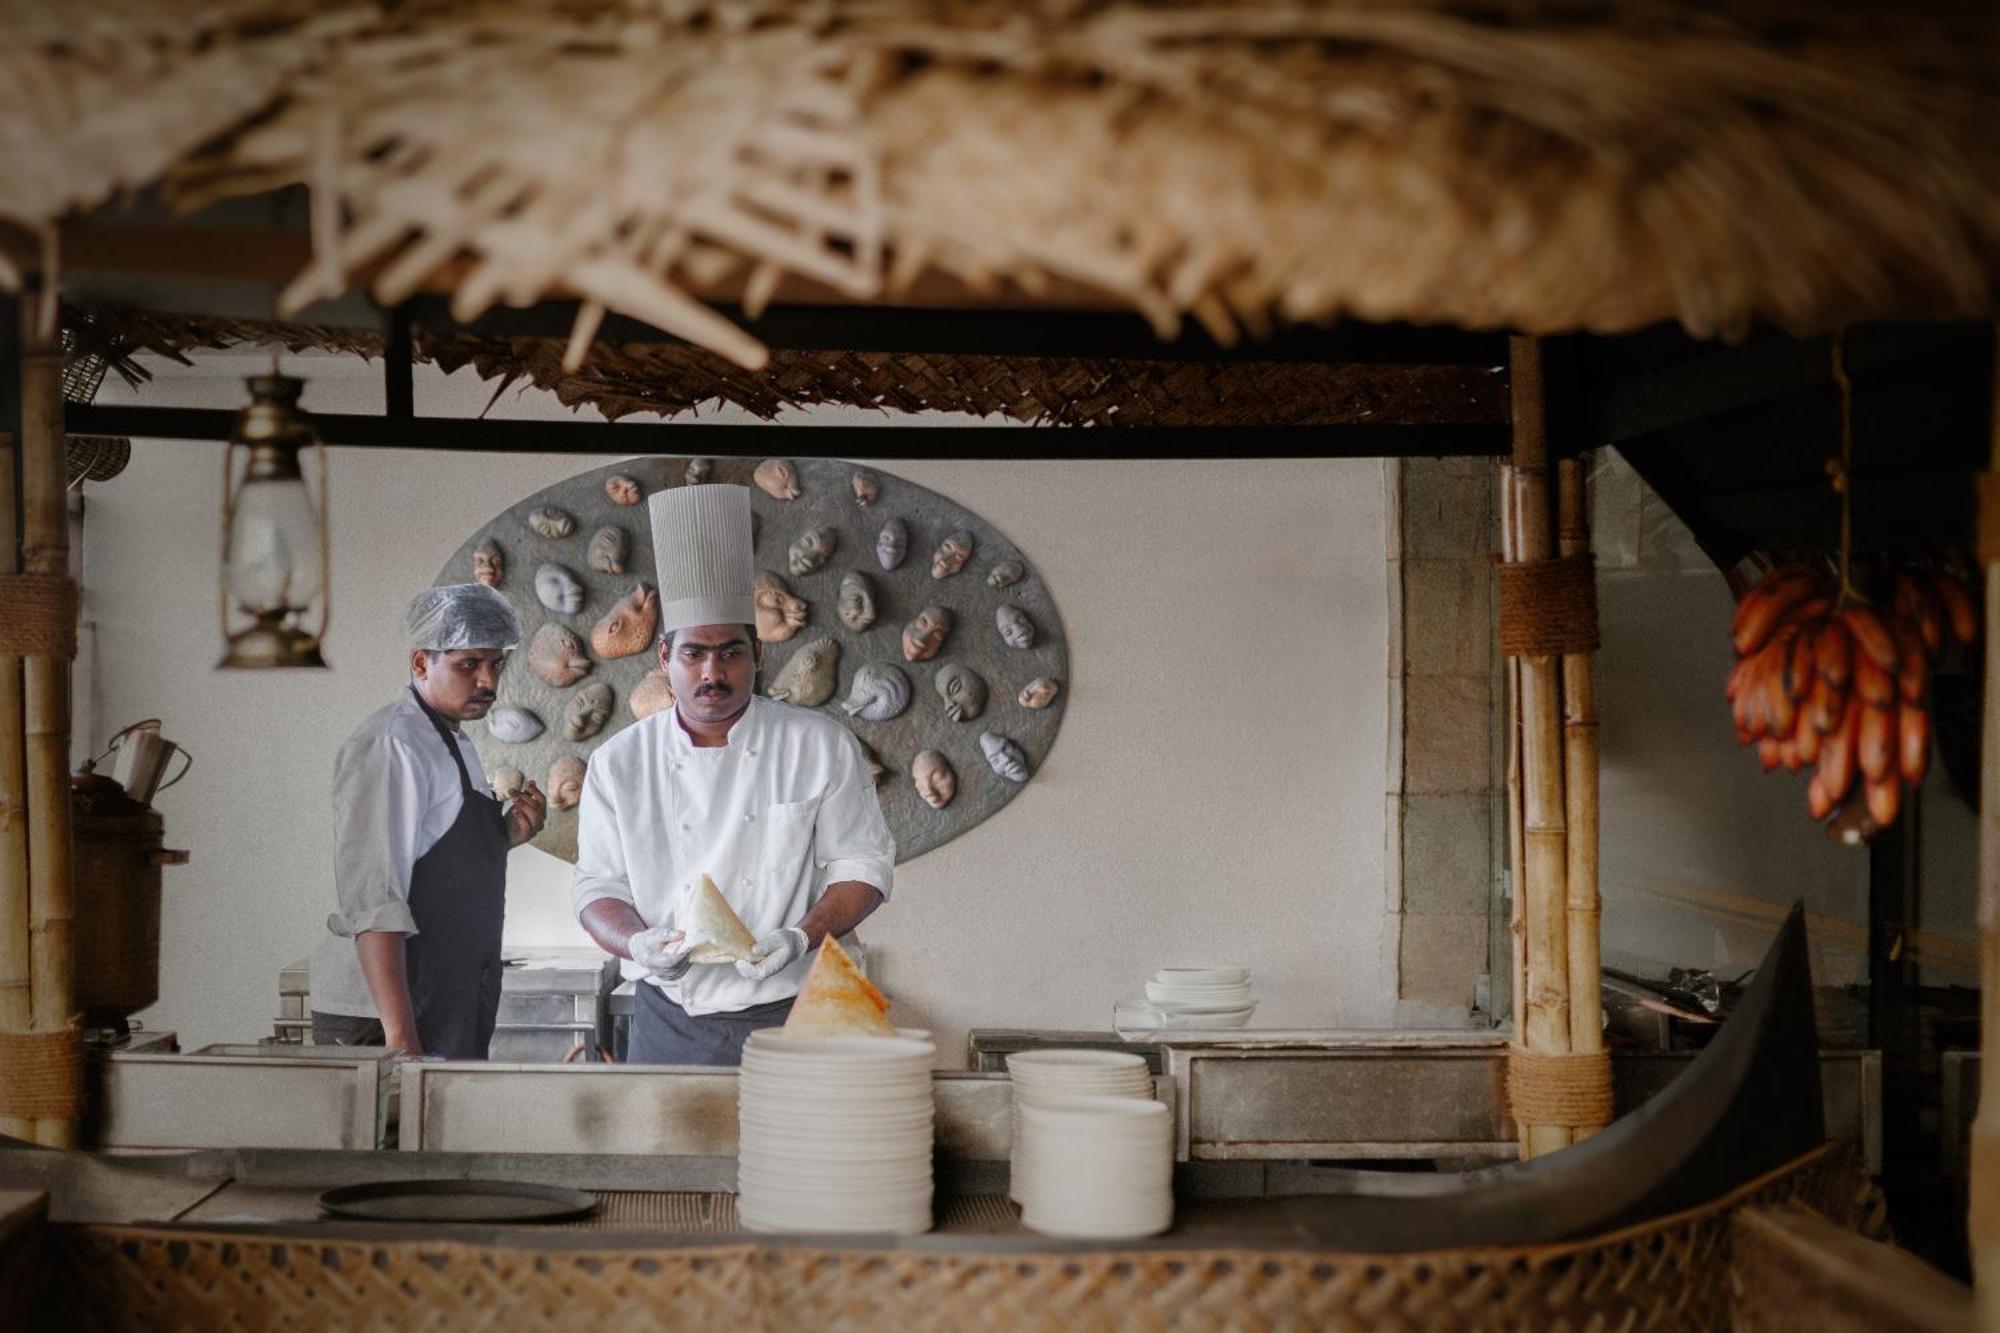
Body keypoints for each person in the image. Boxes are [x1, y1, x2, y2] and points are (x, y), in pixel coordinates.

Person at [573, 484, 894, 1065]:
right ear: (664, 659)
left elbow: (863, 866)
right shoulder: (619, 762)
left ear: (759, 654)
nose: (712, 672)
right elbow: (598, 888)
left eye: (731, 652)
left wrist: (800, 935)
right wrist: (636, 941)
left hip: (800, 1007)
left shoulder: (818, 744)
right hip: (670, 1013)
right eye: (694, 653)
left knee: (799, 1155)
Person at [308, 583, 548, 1057]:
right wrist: (401, 1041)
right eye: (468, 665)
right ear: (421, 663)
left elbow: (435, 858)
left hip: (442, 995)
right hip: (389, 1009)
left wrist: (504, 836)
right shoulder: (393, 745)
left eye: (496, 663)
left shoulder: (450, 739)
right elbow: (376, 898)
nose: (489, 682)